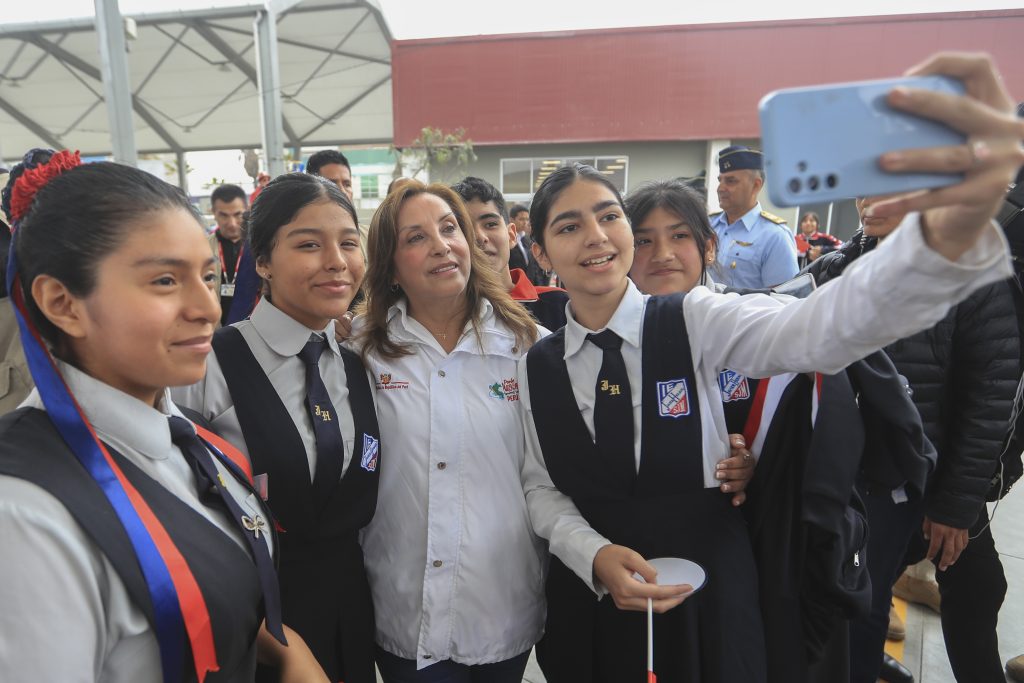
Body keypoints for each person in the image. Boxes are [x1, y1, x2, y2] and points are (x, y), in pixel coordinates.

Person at [517, 51, 1023, 683]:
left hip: (712, 587)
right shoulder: (535, 364)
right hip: (593, 597)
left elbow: (812, 334)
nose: (596, 235)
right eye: (569, 226)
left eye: (609, 215)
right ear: (539, 251)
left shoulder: (694, 318)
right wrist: (592, 557)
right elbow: (540, 489)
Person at [0, 152, 327, 682]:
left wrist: (288, 654)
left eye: (207, 275)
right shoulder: (24, 515)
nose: (207, 308)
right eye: (164, 282)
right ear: (63, 303)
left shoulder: (190, 441)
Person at [805, 194, 1021, 683]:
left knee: (880, 604)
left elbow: (990, 400)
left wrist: (954, 506)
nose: (870, 198)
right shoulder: (837, 266)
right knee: (843, 604)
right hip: (838, 478)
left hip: (912, 487)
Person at [174, 172, 379, 683]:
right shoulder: (209, 365)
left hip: (352, 617)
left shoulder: (356, 363)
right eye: (309, 244)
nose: (336, 261)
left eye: (349, 243)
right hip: (257, 630)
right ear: (262, 261)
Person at [349, 180, 542, 681]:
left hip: (501, 601)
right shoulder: (360, 350)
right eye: (415, 237)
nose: (440, 244)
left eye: (450, 228)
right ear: (389, 267)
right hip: (401, 605)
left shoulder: (528, 346)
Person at [452, 176, 569, 330]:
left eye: (491, 224)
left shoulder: (559, 305)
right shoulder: (443, 316)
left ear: (511, 235)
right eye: (464, 228)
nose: (480, 237)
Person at [710, 145, 799, 288]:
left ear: (756, 185)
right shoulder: (708, 226)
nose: (720, 188)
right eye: (720, 180)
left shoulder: (774, 236)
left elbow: (783, 299)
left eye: (731, 181)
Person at [210, 183, 249, 326]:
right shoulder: (201, 248)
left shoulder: (260, 247)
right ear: (213, 212)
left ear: (247, 210)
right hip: (214, 330)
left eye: (237, 215)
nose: (232, 223)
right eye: (224, 215)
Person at [508, 202, 548, 286]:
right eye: (521, 219)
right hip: (514, 287)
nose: (525, 222)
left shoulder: (528, 240)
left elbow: (534, 266)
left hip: (531, 287)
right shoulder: (507, 240)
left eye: (527, 219)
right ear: (512, 220)